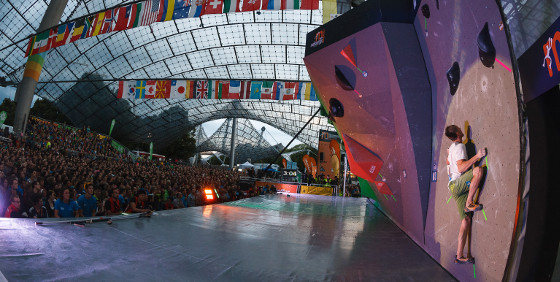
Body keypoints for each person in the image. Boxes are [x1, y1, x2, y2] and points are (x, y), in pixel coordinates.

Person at [445, 125, 486, 264]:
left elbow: (448, 162)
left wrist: (449, 154)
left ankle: (459, 256)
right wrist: (478, 156)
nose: (461, 129)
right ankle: (469, 203)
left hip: (454, 188)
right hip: (457, 184)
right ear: (458, 133)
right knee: (478, 171)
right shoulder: (460, 147)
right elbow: (462, 167)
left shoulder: (451, 149)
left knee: (466, 220)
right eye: (458, 128)